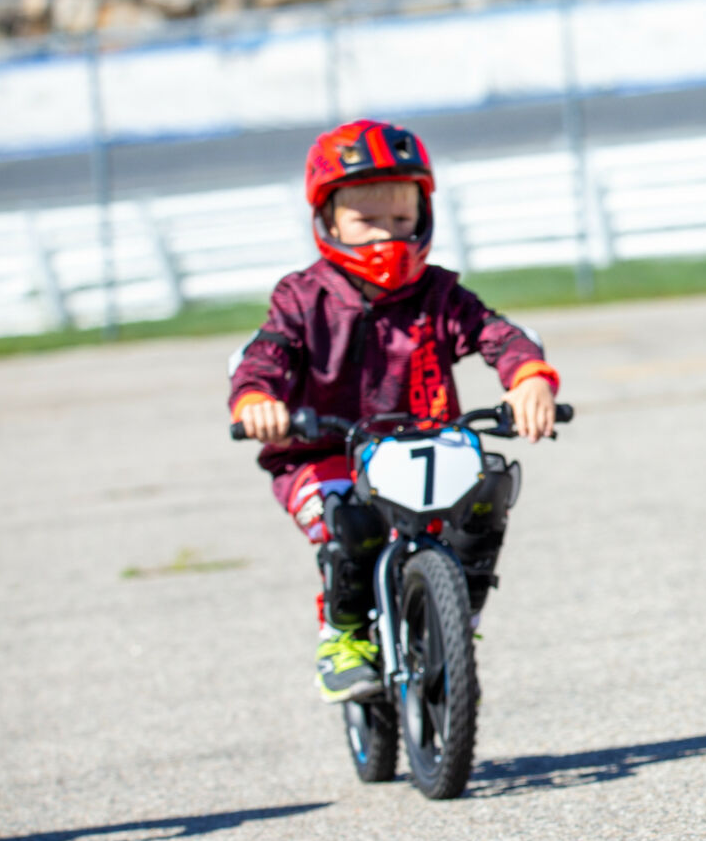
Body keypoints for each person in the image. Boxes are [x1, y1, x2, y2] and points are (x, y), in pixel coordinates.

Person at [229, 119, 563, 702]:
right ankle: (344, 636)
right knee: (349, 518)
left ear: (424, 216)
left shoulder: (439, 294)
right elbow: (266, 353)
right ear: (328, 220)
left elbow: (496, 335)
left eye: (401, 219)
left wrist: (528, 379)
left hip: (425, 444)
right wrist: (259, 400)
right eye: (366, 220)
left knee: (488, 490)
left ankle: (458, 616)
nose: (387, 236)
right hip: (324, 452)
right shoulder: (302, 297)